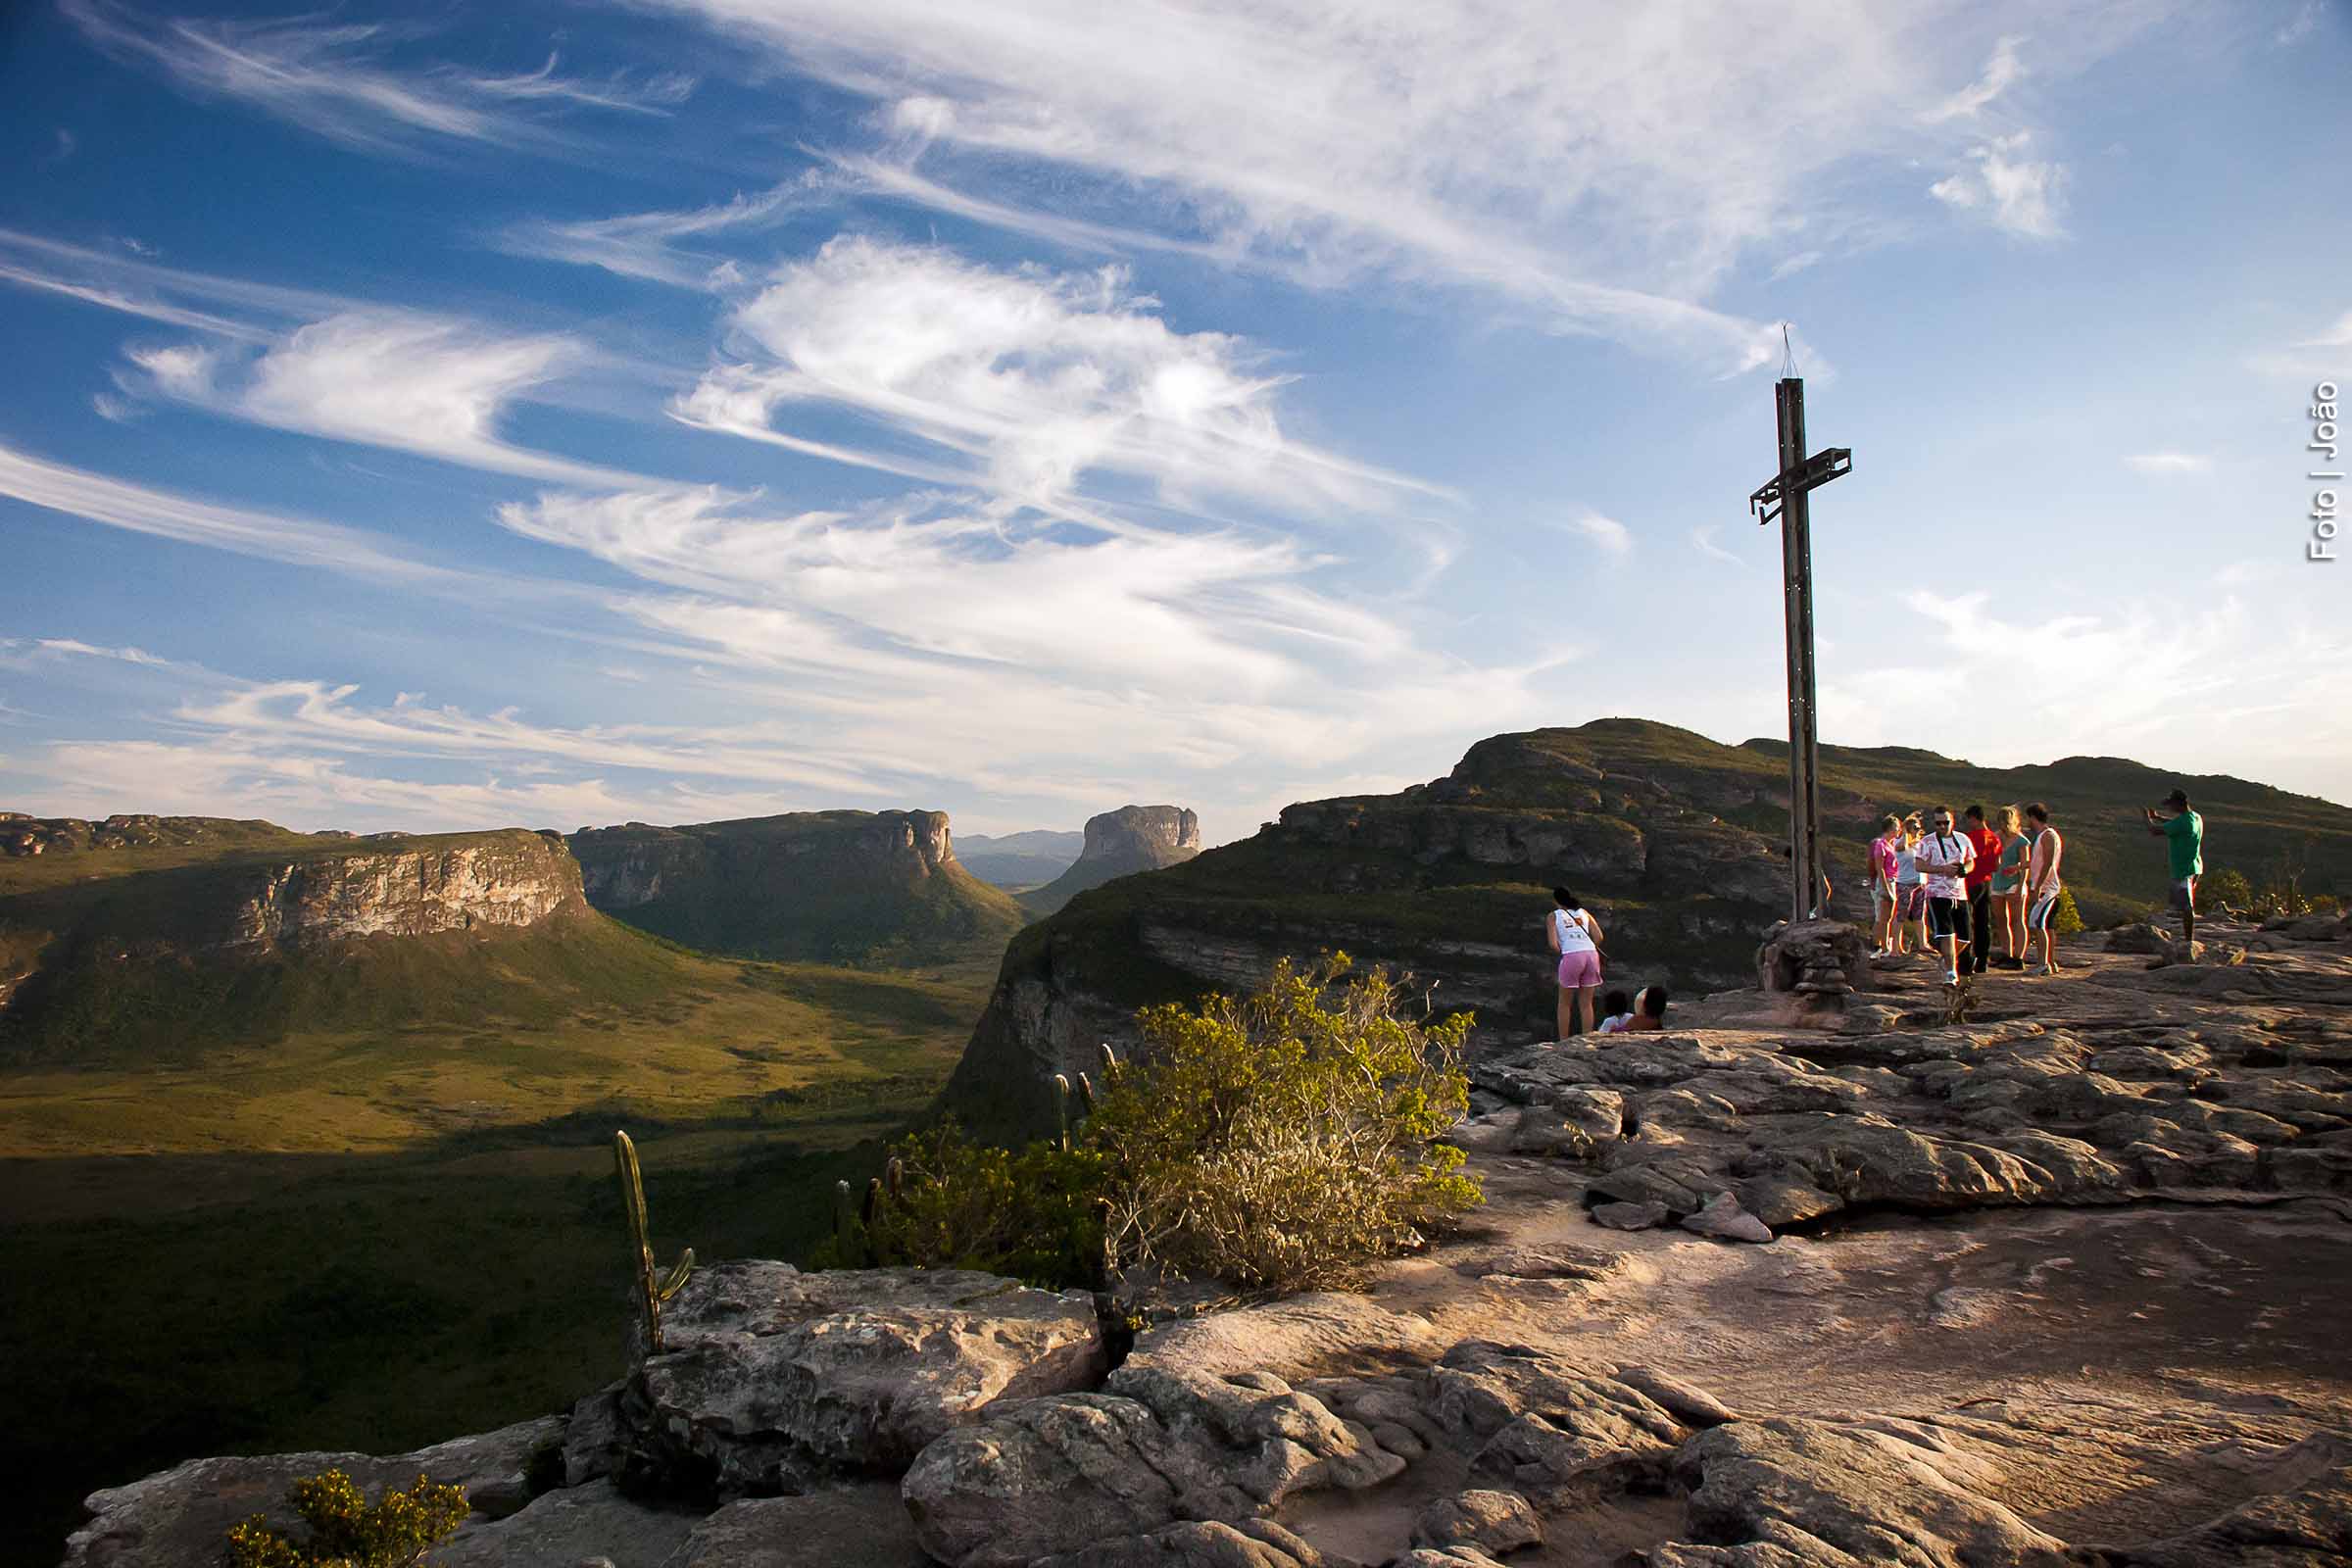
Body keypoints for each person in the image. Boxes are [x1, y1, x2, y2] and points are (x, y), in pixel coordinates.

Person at [1914, 806, 1977, 986]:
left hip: (1960, 893)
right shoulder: (1927, 842)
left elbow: (1971, 861)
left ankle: (1947, 959)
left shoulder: (1963, 839)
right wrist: (1941, 869)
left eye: (1946, 823)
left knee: (1964, 937)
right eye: (1938, 823)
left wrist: (1964, 869)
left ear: (1953, 821)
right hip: (1937, 893)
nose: (1942, 826)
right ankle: (1951, 971)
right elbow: (1919, 866)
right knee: (1947, 933)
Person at [2145, 788, 2205, 947]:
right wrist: (2158, 817)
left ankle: (2188, 942)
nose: (2170, 808)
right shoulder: (2195, 817)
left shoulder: (2183, 822)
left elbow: (2153, 831)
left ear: (2179, 804)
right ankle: (2187, 938)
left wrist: (2146, 819)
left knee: (2187, 906)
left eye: (2171, 805)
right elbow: (2175, 824)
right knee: (2184, 904)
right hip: (2195, 865)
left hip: (2183, 868)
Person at [1545, 885, 1604, 1039]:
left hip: (1572, 956)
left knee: (1564, 1003)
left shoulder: (1554, 916)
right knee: (1586, 1003)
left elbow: (1553, 944)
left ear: (1556, 900)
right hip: (1591, 955)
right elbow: (1598, 936)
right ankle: (1587, 1038)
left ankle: (1564, 1040)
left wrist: (1565, 950)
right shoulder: (1584, 912)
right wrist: (1587, 946)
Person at [2023, 802, 2065, 975]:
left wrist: (2037, 886)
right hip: (2046, 887)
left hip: (2047, 889)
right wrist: (2019, 867)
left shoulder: (2047, 835)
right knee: (2047, 925)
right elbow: (2038, 862)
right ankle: (2050, 962)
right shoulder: (2045, 835)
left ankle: (2042, 963)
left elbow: (2047, 863)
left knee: (2037, 923)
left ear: (2033, 817)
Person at [1961, 805, 2003, 977]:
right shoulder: (1994, 838)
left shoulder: (1970, 838)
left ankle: (1968, 959)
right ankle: (1982, 961)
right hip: (1986, 883)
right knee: (1983, 923)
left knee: (1967, 923)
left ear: (1974, 818)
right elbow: (1997, 865)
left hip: (1969, 882)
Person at [1988, 805, 2032, 969]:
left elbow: (2026, 863)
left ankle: (2018, 957)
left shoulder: (2021, 840)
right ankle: (2007, 954)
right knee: (2001, 920)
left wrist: (2021, 884)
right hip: (1997, 881)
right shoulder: (1994, 837)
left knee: (2017, 920)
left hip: (2014, 882)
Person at [1869, 814, 1902, 957]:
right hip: (1885, 881)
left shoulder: (1892, 844)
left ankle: (1884, 946)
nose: (1899, 830)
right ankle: (1883, 947)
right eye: (1897, 828)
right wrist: (1886, 889)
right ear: (1891, 828)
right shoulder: (1880, 844)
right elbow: (1879, 868)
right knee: (1883, 916)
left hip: (1892, 879)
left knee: (1888, 916)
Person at [1894, 813, 1926, 956]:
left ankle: (1922, 943)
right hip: (1905, 883)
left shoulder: (1920, 844)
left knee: (1919, 914)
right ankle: (1896, 947)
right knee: (1901, 914)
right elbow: (1901, 847)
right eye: (1915, 827)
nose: (1917, 830)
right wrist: (1906, 833)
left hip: (1919, 883)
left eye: (1919, 827)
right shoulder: (1900, 842)